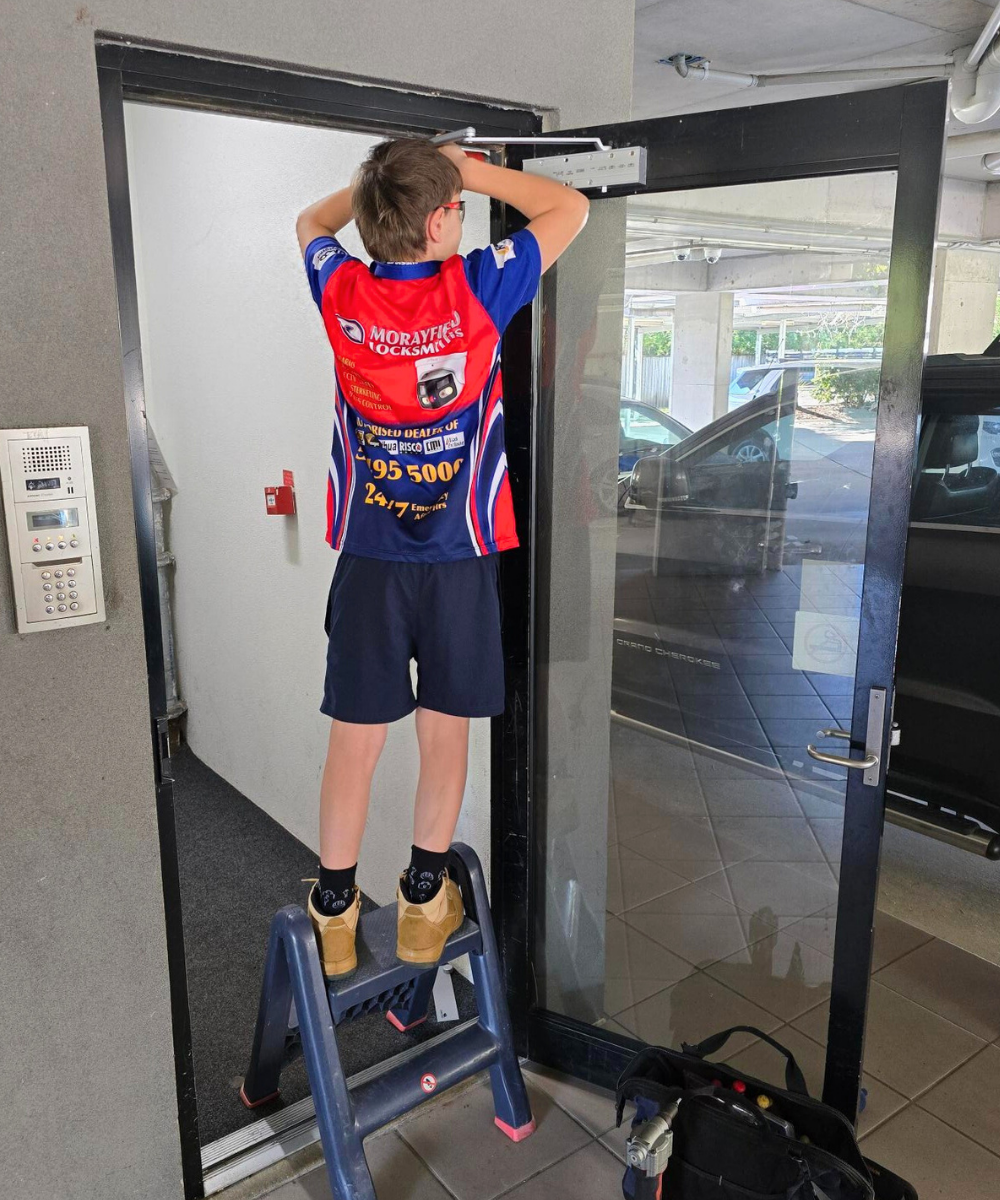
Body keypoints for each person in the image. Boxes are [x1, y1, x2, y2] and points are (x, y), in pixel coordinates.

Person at [296, 137, 588, 978]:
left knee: (354, 738)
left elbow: (310, 220)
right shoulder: (476, 288)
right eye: (457, 205)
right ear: (439, 221)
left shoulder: (340, 287)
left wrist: (378, 194)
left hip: (369, 556)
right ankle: (425, 900)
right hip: (459, 554)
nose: (465, 213)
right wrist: (472, 169)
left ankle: (335, 912)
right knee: (445, 732)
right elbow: (569, 209)